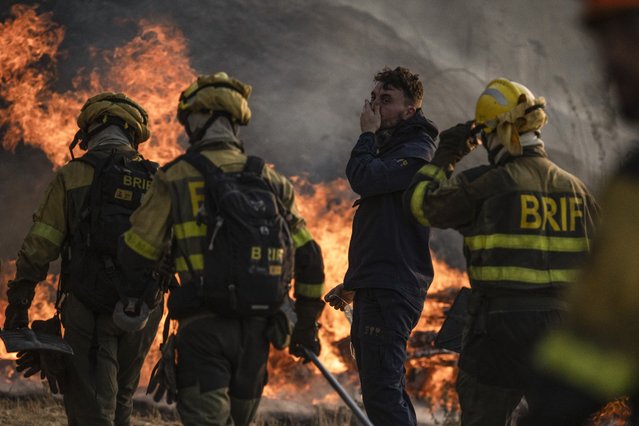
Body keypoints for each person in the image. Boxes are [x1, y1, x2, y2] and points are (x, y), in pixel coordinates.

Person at [118, 72, 326, 426]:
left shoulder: (175, 177)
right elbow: (310, 259)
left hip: (203, 330)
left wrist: (134, 296)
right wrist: (306, 327)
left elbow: (138, 251)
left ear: (199, 120)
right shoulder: (272, 181)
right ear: (234, 123)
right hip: (257, 334)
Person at [404, 78, 599, 425]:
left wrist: (448, 152)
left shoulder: (488, 183)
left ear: (497, 133)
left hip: (497, 334)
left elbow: (420, 206)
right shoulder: (578, 191)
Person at [3, 92, 163, 425]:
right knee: (121, 395)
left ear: (88, 132)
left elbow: (41, 243)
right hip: (142, 308)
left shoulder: (73, 174)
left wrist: (19, 299)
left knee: (89, 401)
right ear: (135, 135)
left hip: (87, 304)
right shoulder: (159, 180)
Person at [520, 1, 639, 424]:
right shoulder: (628, 179)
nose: (612, 64)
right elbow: (599, 331)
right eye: (604, 44)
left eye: (628, 37)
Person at [325, 66, 438, 425]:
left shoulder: (416, 153)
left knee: (383, 395)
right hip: (378, 285)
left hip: (391, 290)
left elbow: (363, 178)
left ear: (411, 110)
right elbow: (385, 232)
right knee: (383, 391)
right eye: (374, 99)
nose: (375, 108)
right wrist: (355, 283)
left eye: (386, 101)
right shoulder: (394, 149)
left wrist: (366, 136)